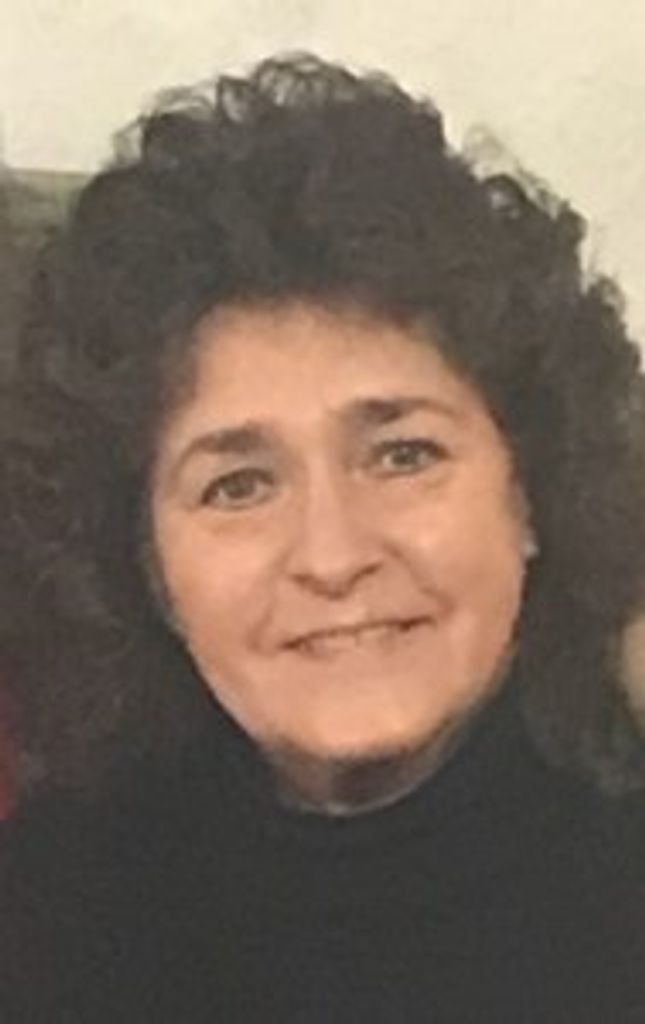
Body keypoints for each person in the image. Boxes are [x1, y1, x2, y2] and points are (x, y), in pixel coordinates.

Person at [1, 53, 645, 1022]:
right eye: (237, 485)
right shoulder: (50, 908)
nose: (333, 555)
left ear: (531, 493)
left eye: (403, 455)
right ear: (146, 564)